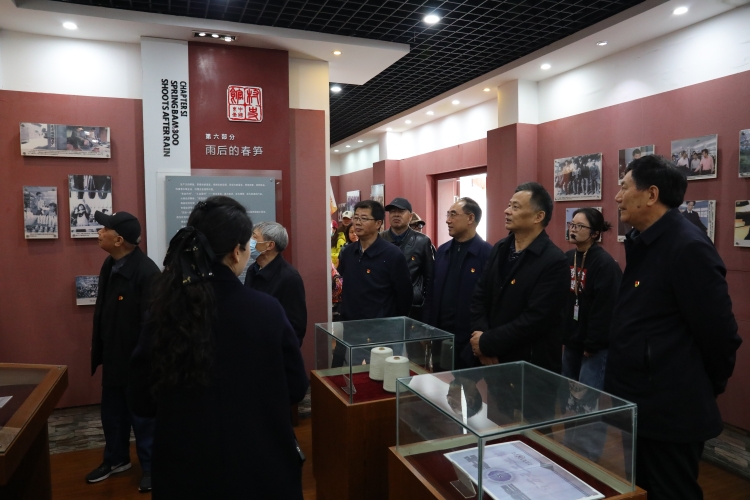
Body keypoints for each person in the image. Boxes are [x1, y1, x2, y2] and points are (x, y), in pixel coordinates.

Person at [129, 196, 308, 499]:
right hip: (257, 463)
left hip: (184, 466)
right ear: (237, 251)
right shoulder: (266, 310)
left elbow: (141, 399)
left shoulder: (165, 309)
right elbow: (295, 387)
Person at [607, 156, 741, 500]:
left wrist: (703, 385)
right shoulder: (645, 241)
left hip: (670, 409)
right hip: (641, 402)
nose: (617, 197)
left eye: (624, 187)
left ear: (651, 194)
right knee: (642, 488)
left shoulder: (687, 246)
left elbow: (720, 334)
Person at [87, 211, 159, 492]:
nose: (99, 232)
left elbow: (152, 326)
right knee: (113, 416)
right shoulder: (110, 264)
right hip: (114, 359)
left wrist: (142, 361)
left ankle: (152, 467)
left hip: (139, 364)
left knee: (144, 419)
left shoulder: (147, 273)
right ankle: (116, 459)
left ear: (118, 240)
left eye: (104, 229)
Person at [469, 182, 568, 372]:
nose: (507, 211)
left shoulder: (554, 261)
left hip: (529, 366)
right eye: (509, 205)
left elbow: (535, 320)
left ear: (538, 216)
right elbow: (479, 296)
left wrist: (488, 343)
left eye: (515, 207)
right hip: (490, 357)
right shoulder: (500, 248)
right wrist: (481, 340)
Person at [562, 208, 622, 461]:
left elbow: (606, 308)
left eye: (580, 226)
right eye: (572, 224)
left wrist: (593, 342)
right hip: (572, 343)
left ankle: (588, 458)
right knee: (569, 399)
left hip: (594, 347)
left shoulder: (604, 263)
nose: (573, 229)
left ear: (595, 233)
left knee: (588, 401)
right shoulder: (568, 258)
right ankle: (569, 450)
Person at [425, 197, 492, 369]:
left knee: (469, 383)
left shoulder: (487, 254)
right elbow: (431, 293)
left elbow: (491, 301)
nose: (448, 220)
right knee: (440, 380)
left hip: (470, 341)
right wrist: (427, 328)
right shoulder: (442, 251)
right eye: (447, 215)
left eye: (453, 215)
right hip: (440, 336)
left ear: (470, 218)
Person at [337, 200, 411, 322]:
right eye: (356, 218)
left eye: (364, 218)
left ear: (378, 223)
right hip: (350, 324)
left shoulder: (392, 254)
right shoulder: (348, 252)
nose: (358, 223)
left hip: (381, 326)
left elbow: (404, 296)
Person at [244, 221, 308, 345]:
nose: (249, 241)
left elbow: (296, 327)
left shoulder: (290, 278)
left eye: (254, 237)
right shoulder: (252, 269)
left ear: (270, 245)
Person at [381, 197, 435, 321]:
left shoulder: (422, 241)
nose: (396, 215)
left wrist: (426, 305)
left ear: (410, 217)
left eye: (400, 211)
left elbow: (430, 277)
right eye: (392, 212)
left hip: (413, 305)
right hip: (385, 304)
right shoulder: (380, 239)